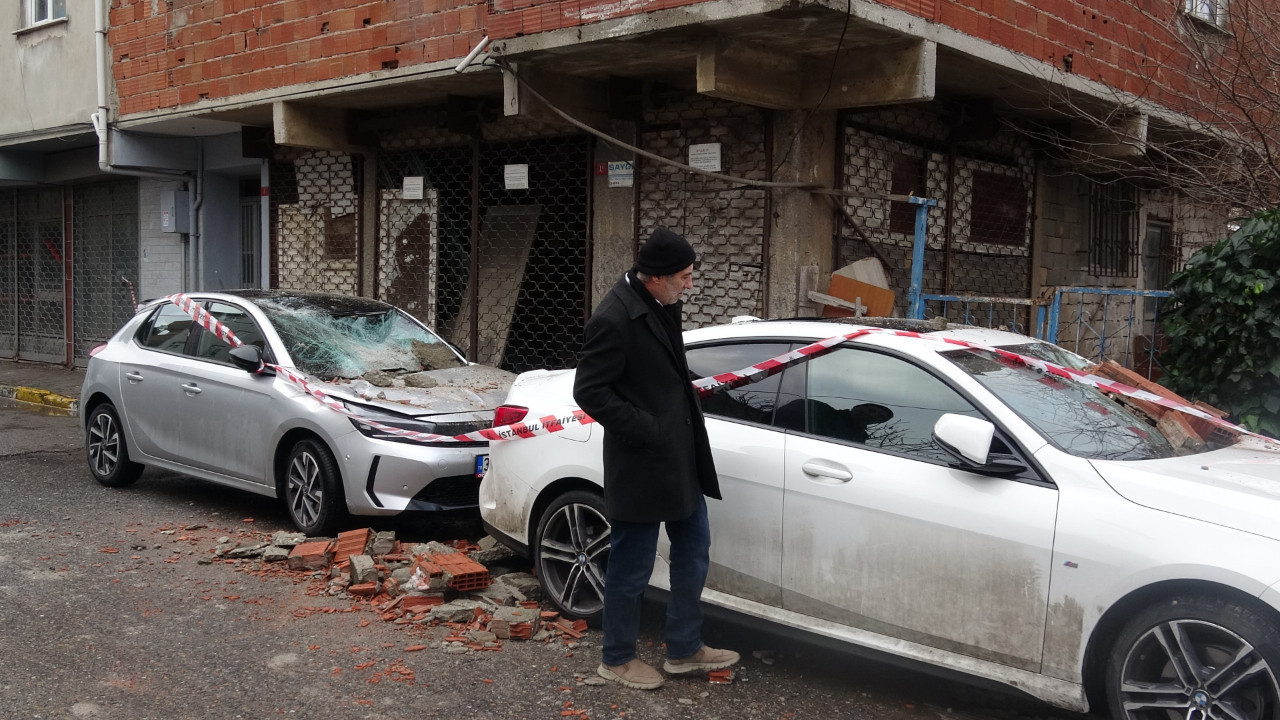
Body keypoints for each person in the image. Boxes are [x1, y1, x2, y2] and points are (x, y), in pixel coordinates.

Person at [572, 227, 740, 690]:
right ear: (656, 277)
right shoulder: (613, 318)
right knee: (632, 568)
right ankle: (616, 658)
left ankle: (684, 649)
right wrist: (648, 429)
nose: (690, 284)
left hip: (680, 460)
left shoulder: (662, 304)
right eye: (684, 277)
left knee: (694, 552)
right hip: (640, 464)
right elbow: (589, 391)